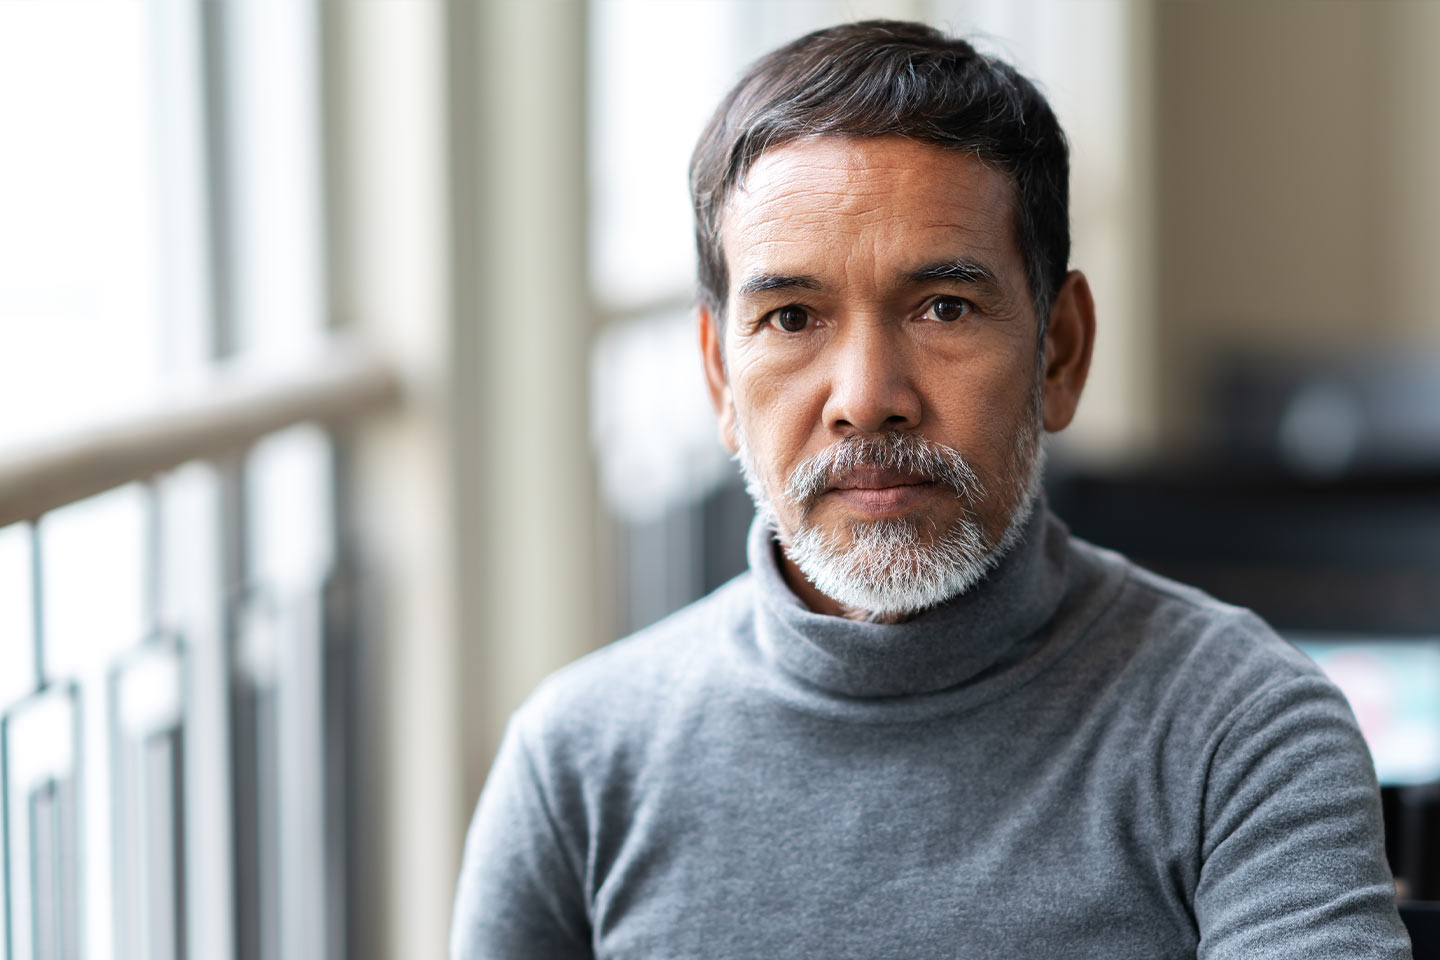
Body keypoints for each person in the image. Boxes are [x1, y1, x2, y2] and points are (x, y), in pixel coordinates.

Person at [451, 20, 1411, 959]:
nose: (868, 401)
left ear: (1059, 351)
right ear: (718, 380)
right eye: (792, 317)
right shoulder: (575, 763)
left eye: (944, 307)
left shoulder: (1245, 734)